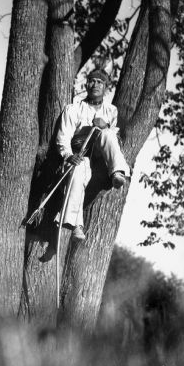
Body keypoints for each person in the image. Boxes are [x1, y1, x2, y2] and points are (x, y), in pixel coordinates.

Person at [56, 68, 130, 240]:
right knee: (78, 171)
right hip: (80, 152)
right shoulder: (73, 109)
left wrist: (105, 126)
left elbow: (115, 138)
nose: (95, 84)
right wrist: (68, 155)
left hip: (101, 154)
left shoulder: (111, 111)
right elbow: (63, 136)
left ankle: (118, 172)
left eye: (100, 82)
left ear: (105, 88)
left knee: (107, 133)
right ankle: (76, 225)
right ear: (86, 84)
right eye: (92, 81)